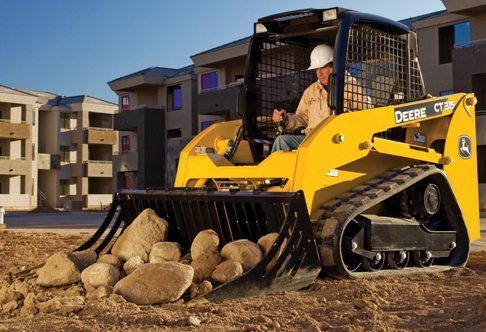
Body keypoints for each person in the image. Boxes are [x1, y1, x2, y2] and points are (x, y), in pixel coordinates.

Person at [271, 44, 371, 152]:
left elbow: (365, 115)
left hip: (339, 140)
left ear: (333, 66)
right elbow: (301, 118)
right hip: (312, 139)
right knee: (282, 141)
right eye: (316, 69)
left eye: (323, 67)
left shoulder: (352, 87)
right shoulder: (310, 91)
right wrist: (285, 119)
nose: (319, 73)